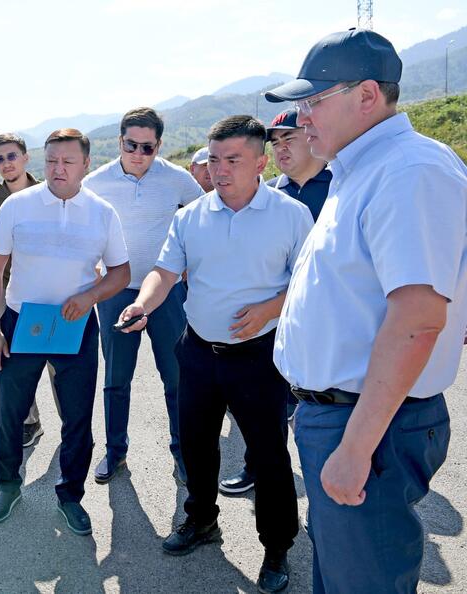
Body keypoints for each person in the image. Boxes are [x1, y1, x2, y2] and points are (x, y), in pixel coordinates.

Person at [266, 28, 467, 593]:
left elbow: (417, 320)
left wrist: (355, 449)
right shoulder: (364, 168)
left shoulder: (408, 171)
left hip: (368, 424)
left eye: (313, 101)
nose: (302, 117)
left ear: (368, 95)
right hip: (346, 415)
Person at [119, 115, 312, 593]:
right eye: (213, 159)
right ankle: (202, 519)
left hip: (258, 356)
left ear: (261, 163)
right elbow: (165, 272)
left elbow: (310, 283)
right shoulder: (191, 216)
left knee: (268, 454)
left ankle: (276, 546)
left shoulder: (291, 215)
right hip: (199, 351)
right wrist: (143, 304)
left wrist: (269, 308)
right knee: (197, 444)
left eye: (232, 160)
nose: (219, 170)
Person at [0, 128, 130, 535]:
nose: (58, 169)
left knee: (78, 416)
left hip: (75, 325)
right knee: (11, 412)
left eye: (67, 162)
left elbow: (121, 272)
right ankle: (8, 486)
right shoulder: (17, 206)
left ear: (85, 164)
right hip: (21, 322)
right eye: (51, 161)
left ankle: (70, 496)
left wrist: (91, 296)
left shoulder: (102, 212)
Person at [83, 107, 201, 485]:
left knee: (177, 377)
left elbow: (205, 216)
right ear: (119, 141)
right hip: (116, 292)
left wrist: (190, 262)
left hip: (167, 293)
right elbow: (81, 229)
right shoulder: (95, 183)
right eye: (130, 144)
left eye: (147, 147)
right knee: (116, 378)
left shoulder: (177, 179)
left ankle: (183, 452)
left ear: (158, 145)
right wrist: (91, 269)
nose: (138, 153)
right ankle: (115, 451)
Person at [220, 108, 331, 496]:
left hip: (329, 324)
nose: (281, 148)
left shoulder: (343, 187)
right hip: (273, 325)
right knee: (264, 406)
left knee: (326, 410)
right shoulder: (265, 196)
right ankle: (259, 466)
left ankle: (328, 487)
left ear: (312, 136)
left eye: (290, 138)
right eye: (276, 142)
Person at [0, 133, 59, 447]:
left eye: (11, 156)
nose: (6, 163)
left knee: (57, 360)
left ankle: (69, 422)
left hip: (47, 287)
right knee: (15, 358)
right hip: (8, 289)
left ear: (25, 157)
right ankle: (30, 422)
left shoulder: (49, 192)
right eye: (0, 158)